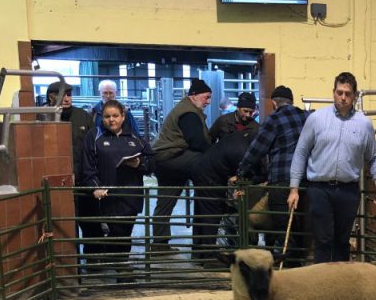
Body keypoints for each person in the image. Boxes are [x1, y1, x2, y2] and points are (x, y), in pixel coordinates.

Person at [288, 71, 376, 263]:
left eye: (347, 93)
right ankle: (323, 288)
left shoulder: (364, 124)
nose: (343, 97)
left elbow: (373, 156)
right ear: (333, 92)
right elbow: (301, 152)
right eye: (339, 92)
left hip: (348, 189)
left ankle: (341, 288)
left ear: (355, 96)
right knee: (323, 240)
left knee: (342, 241)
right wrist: (294, 188)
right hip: (319, 188)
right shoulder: (316, 119)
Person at [233, 85, 309, 266]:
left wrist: (241, 172)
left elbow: (257, 150)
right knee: (299, 227)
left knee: (283, 227)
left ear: (274, 103)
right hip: (307, 181)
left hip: (282, 181)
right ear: (291, 101)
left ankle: (289, 270)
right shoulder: (306, 117)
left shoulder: (274, 119)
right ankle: (299, 266)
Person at [81, 100, 155, 283]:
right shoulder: (94, 136)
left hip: (130, 194)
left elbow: (152, 162)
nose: (111, 120)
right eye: (107, 117)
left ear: (123, 116)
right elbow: (88, 166)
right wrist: (95, 186)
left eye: (115, 116)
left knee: (125, 231)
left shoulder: (135, 138)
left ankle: (118, 262)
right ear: (101, 118)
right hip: (107, 195)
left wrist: (139, 163)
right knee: (116, 231)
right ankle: (121, 266)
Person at [191, 93, 263, 262]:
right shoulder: (224, 122)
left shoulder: (255, 128)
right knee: (210, 212)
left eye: (251, 112)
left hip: (225, 172)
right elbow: (209, 140)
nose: (248, 115)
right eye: (245, 110)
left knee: (230, 213)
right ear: (238, 108)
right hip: (217, 172)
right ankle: (205, 255)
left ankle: (228, 248)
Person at [41, 81, 98, 267]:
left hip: (83, 180)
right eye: (61, 95)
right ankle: (73, 268)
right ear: (50, 96)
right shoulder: (41, 117)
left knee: (90, 223)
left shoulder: (82, 116)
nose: (66, 98)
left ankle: (93, 262)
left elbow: (92, 148)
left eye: (69, 94)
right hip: (59, 183)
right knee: (66, 226)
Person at [151, 78, 212, 249]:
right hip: (170, 157)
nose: (208, 102)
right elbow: (197, 142)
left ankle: (159, 244)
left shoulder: (186, 108)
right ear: (194, 95)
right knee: (205, 164)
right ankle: (204, 239)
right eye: (206, 97)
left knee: (165, 202)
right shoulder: (189, 113)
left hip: (164, 159)